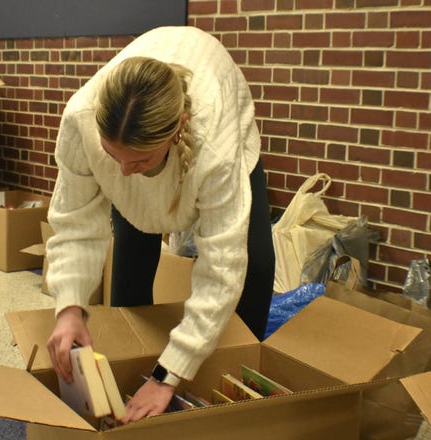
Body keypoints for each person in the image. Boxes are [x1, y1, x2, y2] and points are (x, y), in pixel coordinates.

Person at [45, 26, 275, 423]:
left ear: (178, 129)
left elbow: (221, 268)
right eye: (111, 157)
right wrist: (70, 307)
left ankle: (240, 388)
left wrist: (170, 376)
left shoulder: (214, 146)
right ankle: (128, 367)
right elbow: (75, 223)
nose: (121, 172)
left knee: (252, 267)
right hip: (144, 133)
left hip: (220, 116)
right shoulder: (81, 119)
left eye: (137, 162)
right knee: (132, 254)